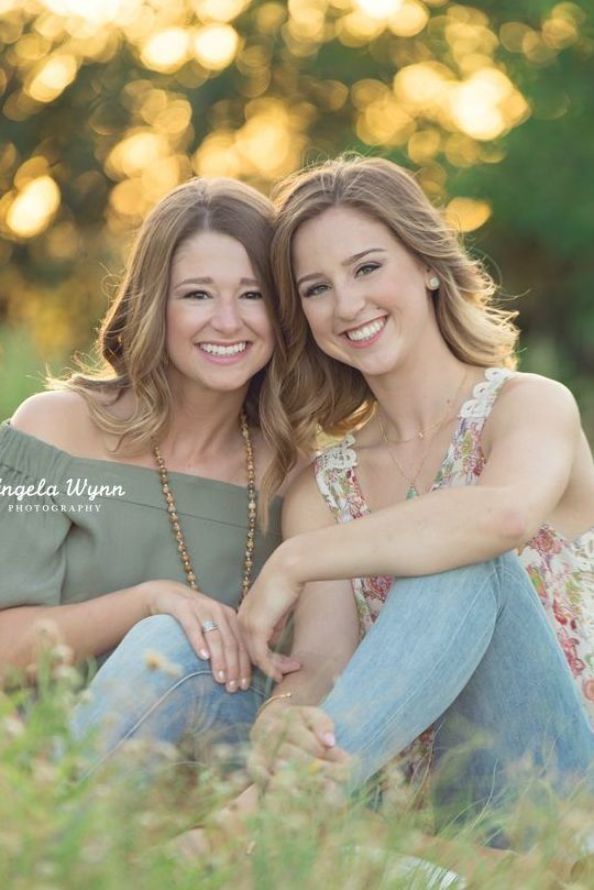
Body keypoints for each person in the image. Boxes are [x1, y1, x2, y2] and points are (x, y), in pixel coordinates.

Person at [235, 156, 594, 846]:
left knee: (463, 557)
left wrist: (297, 559)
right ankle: (305, 823)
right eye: (316, 288)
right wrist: (285, 717)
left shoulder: (530, 407)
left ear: (428, 264)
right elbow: (324, 662)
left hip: (563, 788)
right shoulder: (325, 484)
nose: (346, 306)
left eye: (368, 268)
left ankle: (250, 830)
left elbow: (505, 515)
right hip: (426, 804)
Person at [0, 176, 300, 775]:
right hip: (46, 767)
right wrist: (149, 603)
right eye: (196, 295)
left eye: (253, 295)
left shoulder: (296, 472)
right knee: (170, 636)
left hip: (210, 775)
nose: (227, 321)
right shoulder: (54, 431)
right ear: (151, 303)